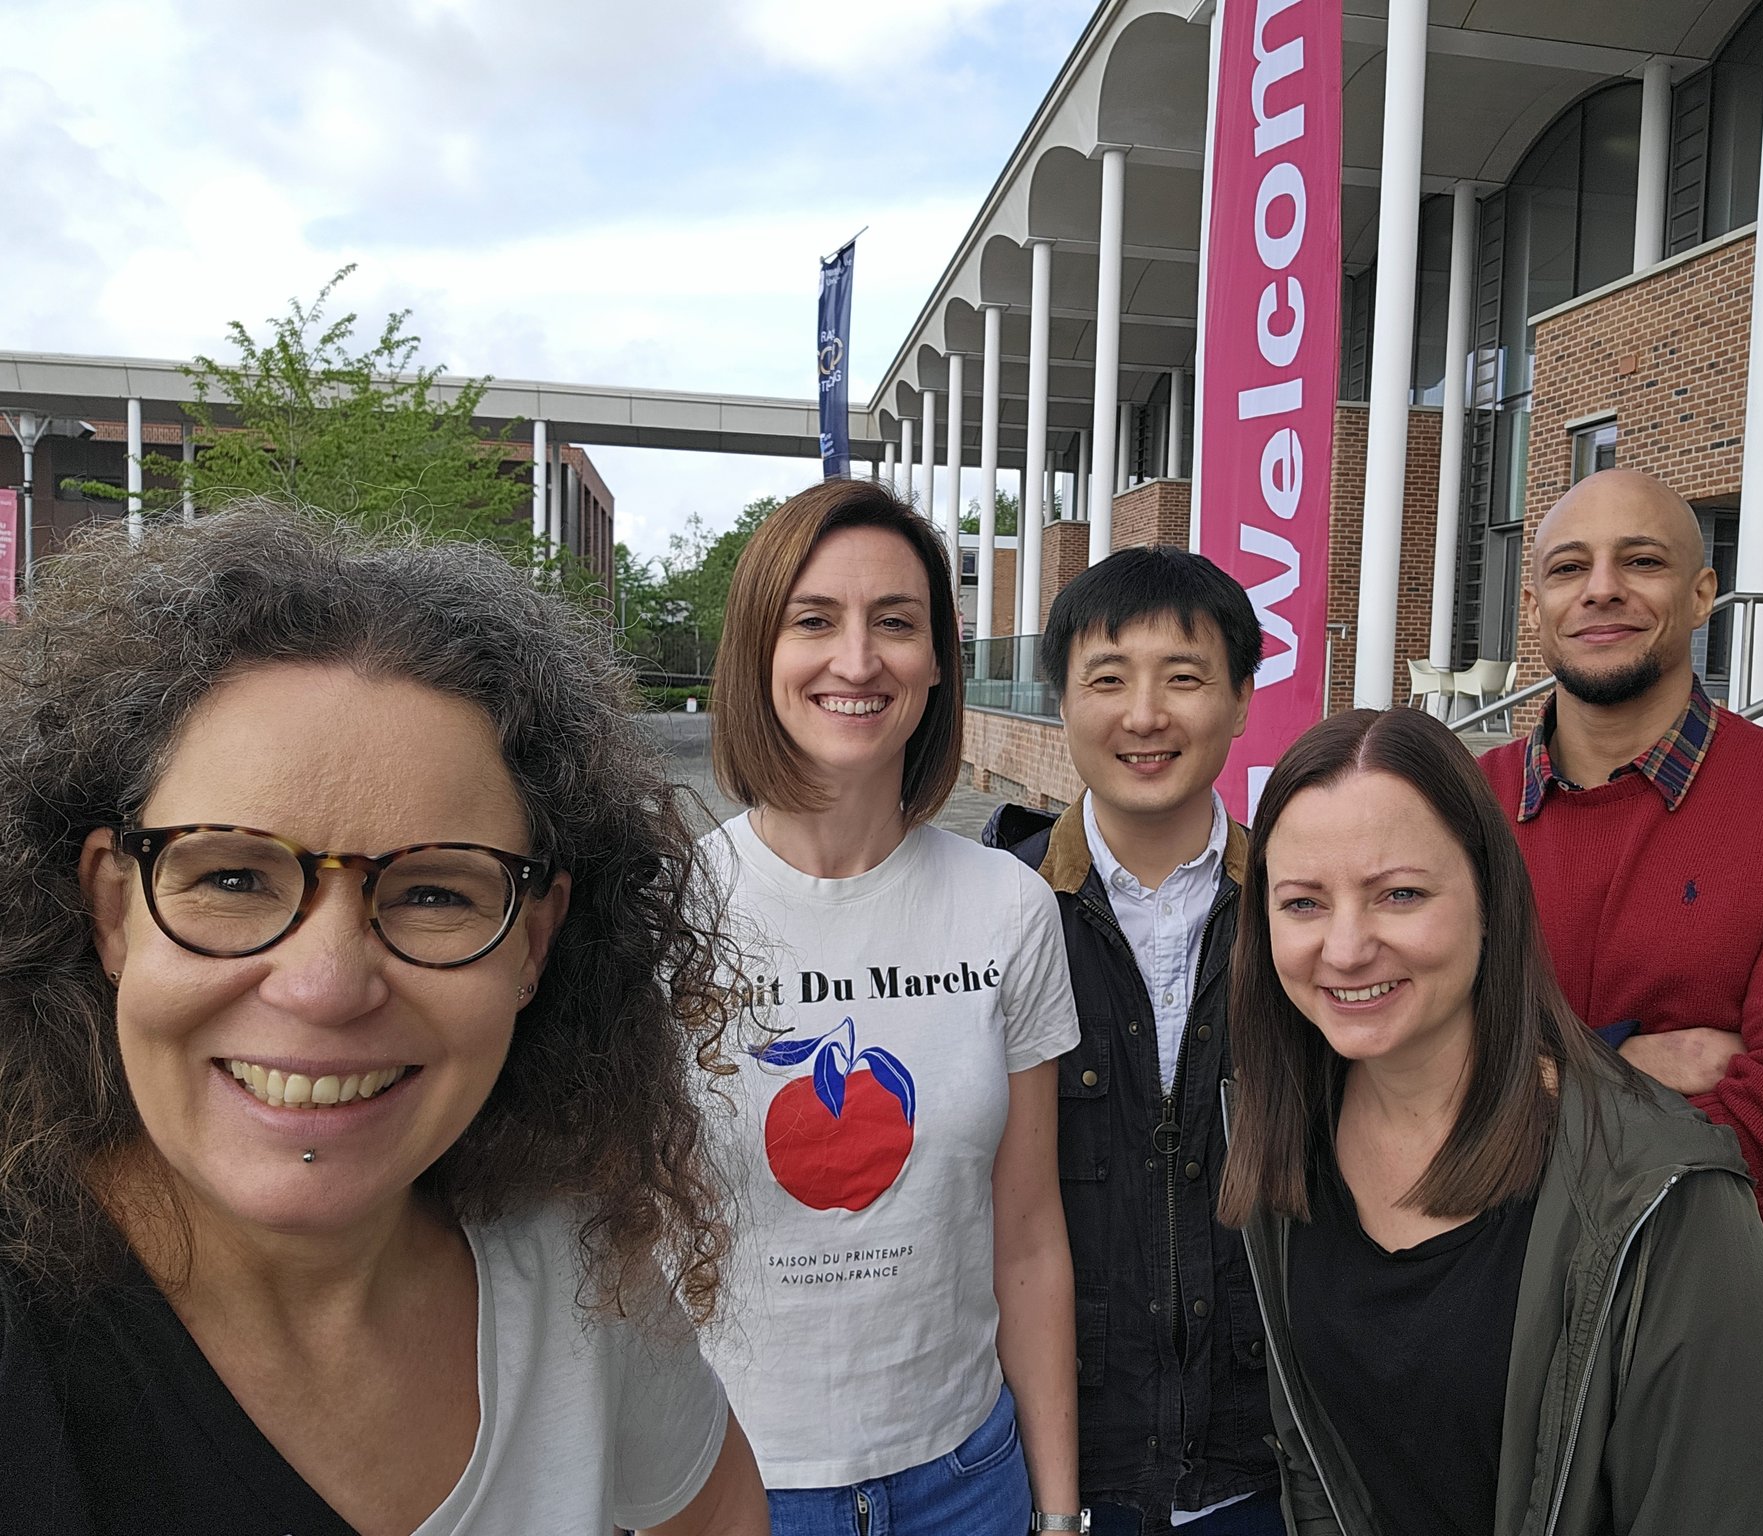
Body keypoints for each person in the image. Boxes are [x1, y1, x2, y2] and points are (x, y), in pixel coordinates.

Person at [0, 509, 767, 1535]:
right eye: (230, 875)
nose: (324, 985)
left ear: (534, 945)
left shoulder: (575, 1269)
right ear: (110, 909)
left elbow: (714, 1513)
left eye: (437, 894)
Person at [1220, 706, 1763, 1536]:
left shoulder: (1665, 1203)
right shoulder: (1280, 1133)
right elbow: (1318, 1467)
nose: (1346, 948)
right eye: (1304, 904)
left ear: (1491, 898)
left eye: (1399, 894)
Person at [1478, 468, 1763, 1536]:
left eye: (1640, 561)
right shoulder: (1455, 810)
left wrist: (1507, 1096)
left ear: (1700, 593)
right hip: (1484, 1358)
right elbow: (1369, 1086)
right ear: (1531, 605)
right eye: (1566, 568)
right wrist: (1627, 1068)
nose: (1601, 590)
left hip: (1744, 1370)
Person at [701, 478, 1084, 1535]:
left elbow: (1027, 1233)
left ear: (934, 664)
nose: (858, 660)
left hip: (967, 1482)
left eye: (897, 624)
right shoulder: (665, 917)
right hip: (725, 1483)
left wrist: (1056, 1513)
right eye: (814, 620)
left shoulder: (1008, 906)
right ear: (756, 653)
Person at [982, 546, 1282, 1536]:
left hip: (1268, 1469)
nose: (1143, 716)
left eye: (1184, 678)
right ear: (1060, 702)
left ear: (1240, 698)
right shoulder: (993, 915)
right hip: (1059, 1473)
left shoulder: (1305, 912)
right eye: (1105, 680)